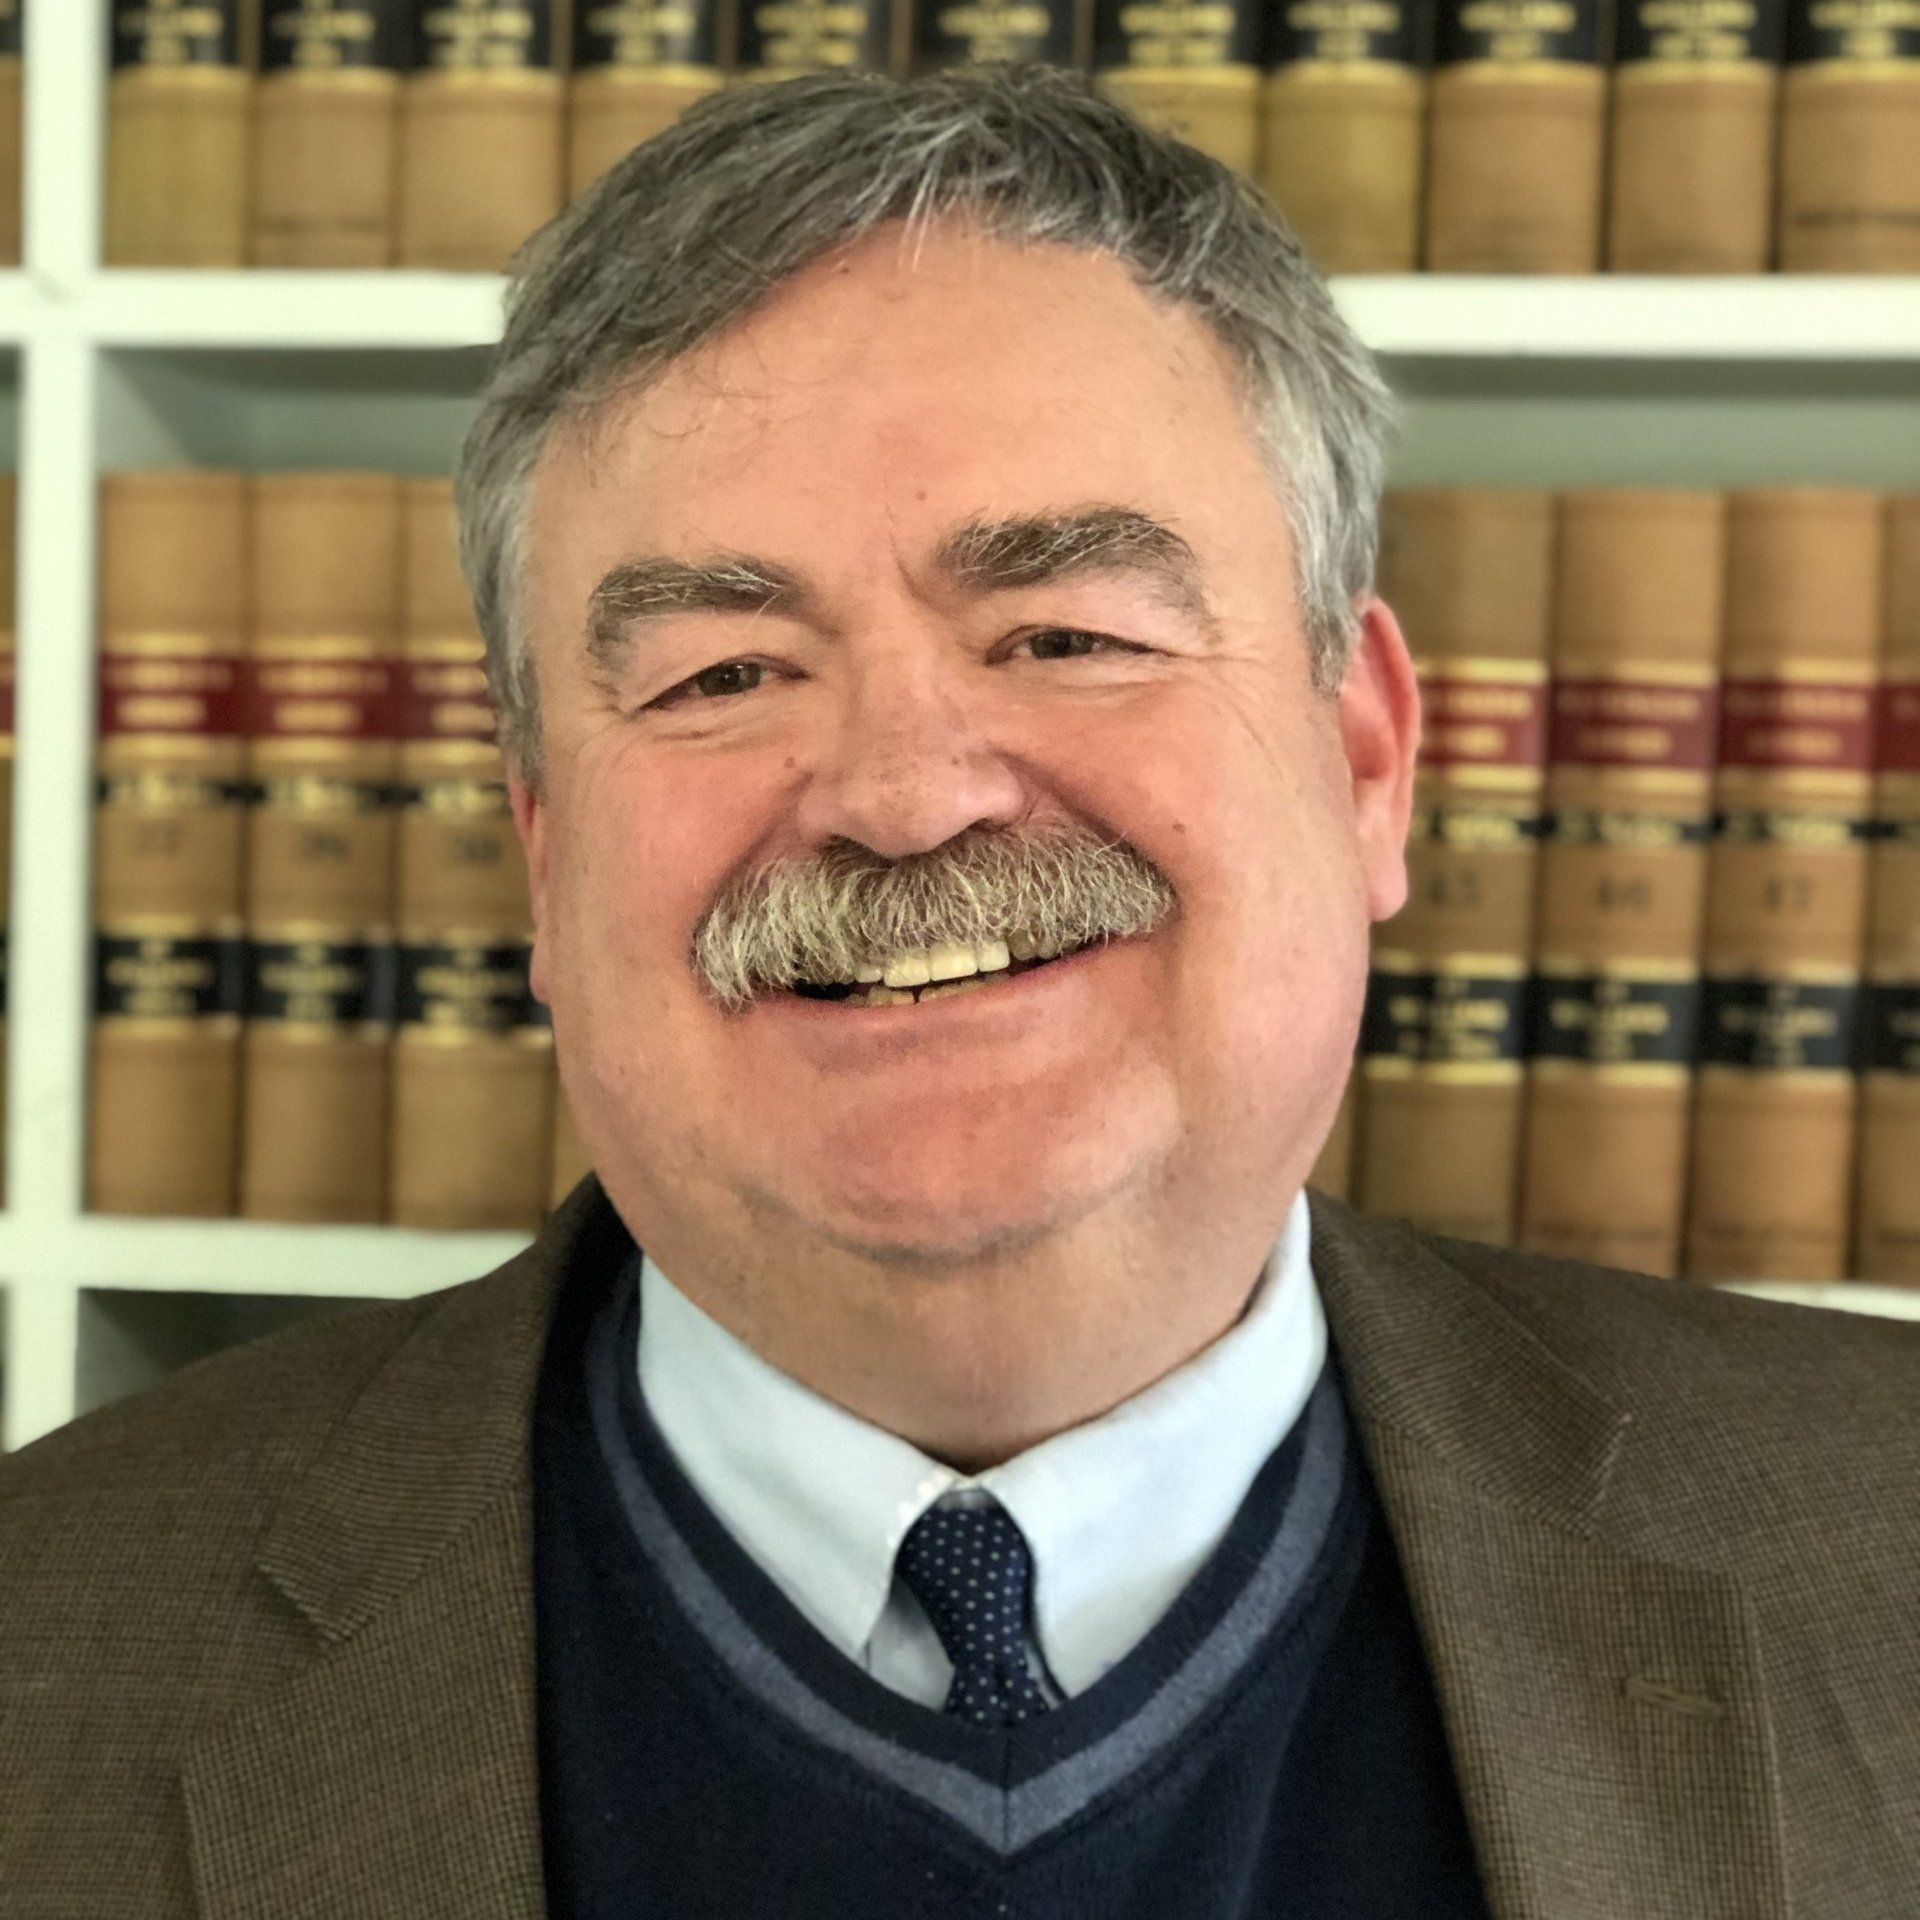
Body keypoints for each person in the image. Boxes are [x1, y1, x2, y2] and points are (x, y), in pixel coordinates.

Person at [2, 66, 1915, 1920]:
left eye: (1066, 632)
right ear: (549, 852)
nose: (907, 796)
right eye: (722, 675)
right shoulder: (46, 1645)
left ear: (1362, 765)